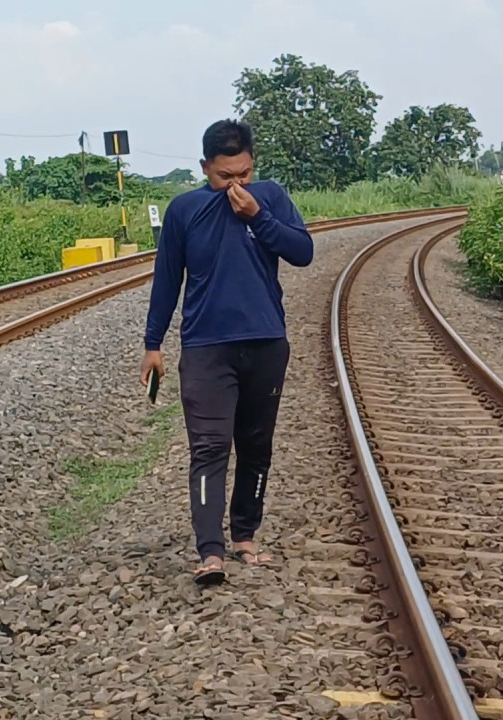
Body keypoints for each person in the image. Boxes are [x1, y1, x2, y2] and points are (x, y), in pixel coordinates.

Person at [140, 119, 314, 585]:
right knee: (210, 447)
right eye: (224, 177)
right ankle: (209, 552)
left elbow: (303, 252)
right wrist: (152, 344)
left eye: (244, 174)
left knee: (256, 446)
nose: (235, 185)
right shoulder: (184, 210)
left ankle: (245, 536)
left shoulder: (271, 198)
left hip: (265, 344)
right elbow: (167, 280)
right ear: (205, 168)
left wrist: (258, 215)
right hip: (205, 349)